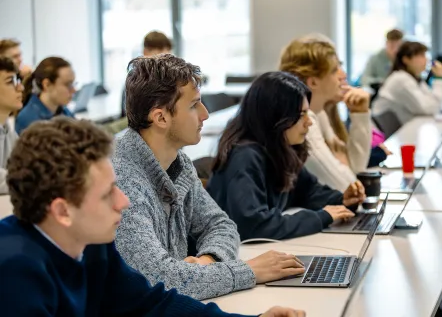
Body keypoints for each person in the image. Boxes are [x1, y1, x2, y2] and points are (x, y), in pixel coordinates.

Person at [0, 117, 305, 317]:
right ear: (62, 211)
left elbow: (153, 304)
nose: (123, 202)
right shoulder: (15, 273)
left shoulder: (90, 244)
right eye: (108, 193)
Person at [113, 54, 305, 301]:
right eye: (194, 105)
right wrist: (249, 271)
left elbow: (221, 225)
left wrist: (208, 261)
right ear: (160, 117)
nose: (205, 114)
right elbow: (158, 280)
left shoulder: (178, 163)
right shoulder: (122, 180)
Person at [207, 71, 364, 241]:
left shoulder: (281, 149)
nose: (309, 122)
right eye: (301, 114)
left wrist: (342, 200)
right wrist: (321, 217)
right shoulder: (244, 157)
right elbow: (254, 226)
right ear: (276, 117)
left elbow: (307, 191)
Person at [279, 36, 372, 192]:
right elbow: (345, 186)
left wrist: (360, 113)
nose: (343, 75)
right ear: (313, 82)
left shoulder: (319, 113)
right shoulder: (301, 122)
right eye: (335, 69)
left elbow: (357, 168)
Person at [372, 41, 442, 125]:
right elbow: (428, 108)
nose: (426, 60)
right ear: (406, 59)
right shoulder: (401, 79)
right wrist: (439, 78)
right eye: (421, 56)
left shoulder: (413, 78)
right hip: (392, 134)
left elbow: (431, 102)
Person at [15, 56, 75, 134]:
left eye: (73, 84)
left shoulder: (65, 112)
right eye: (67, 84)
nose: (74, 90)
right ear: (46, 85)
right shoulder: (29, 120)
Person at [0, 57, 23, 194]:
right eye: (10, 82)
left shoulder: (7, 128)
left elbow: (25, 164)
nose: (20, 87)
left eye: (18, 81)